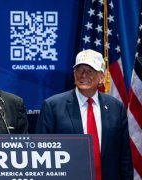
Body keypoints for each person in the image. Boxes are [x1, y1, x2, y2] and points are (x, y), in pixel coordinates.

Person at [35, 49, 133, 180]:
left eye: (90, 71)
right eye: (79, 70)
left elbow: (124, 156)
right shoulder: (53, 106)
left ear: (102, 77)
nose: (84, 75)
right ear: (74, 74)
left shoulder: (116, 107)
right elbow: (41, 154)